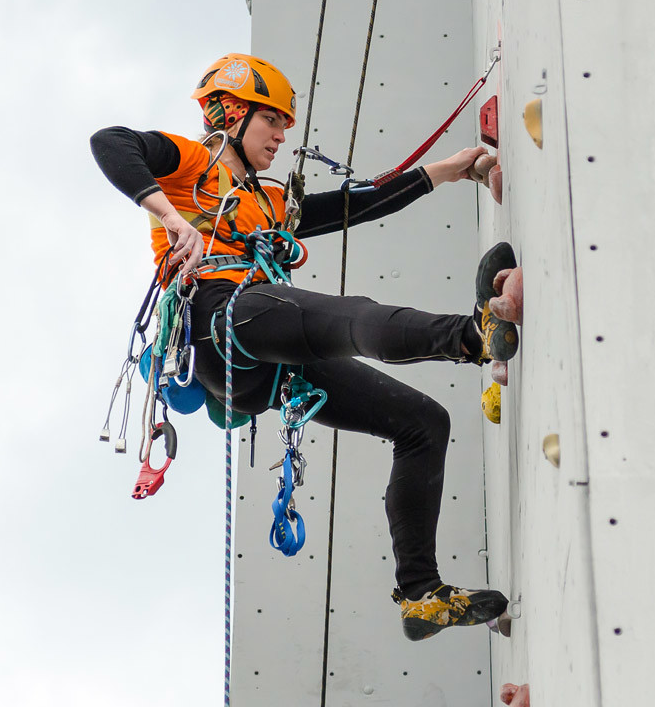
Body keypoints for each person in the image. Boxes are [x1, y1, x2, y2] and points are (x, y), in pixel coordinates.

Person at [90, 53, 517, 641]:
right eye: (274, 121)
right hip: (217, 319)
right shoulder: (192, 165)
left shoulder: (267, 201)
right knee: (349, 317)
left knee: (422, 422)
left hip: (256, 362)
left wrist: (446, 170)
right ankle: (471, 337)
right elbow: (110, 142)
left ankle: (421, 594)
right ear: (233, 113)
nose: (284, 135)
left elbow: (350, 206)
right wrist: (172, 216)